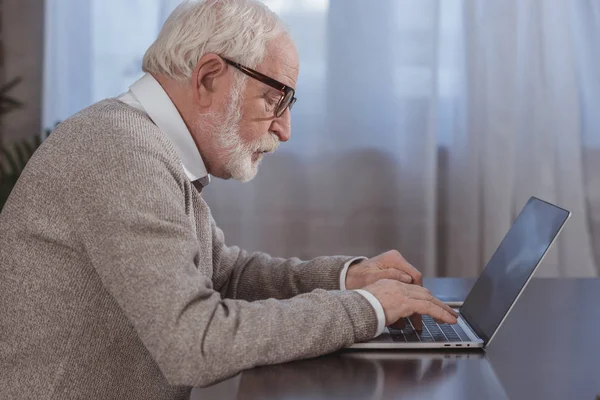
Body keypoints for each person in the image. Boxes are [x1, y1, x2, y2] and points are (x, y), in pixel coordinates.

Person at [0, 0, 457, 398]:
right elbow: (194, 344)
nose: (284, 129)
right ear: (209, 78)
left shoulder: (142, 143)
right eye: (273, 100)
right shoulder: (120, 152)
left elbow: (224, 274)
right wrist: (369, 308)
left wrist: (347, 278)